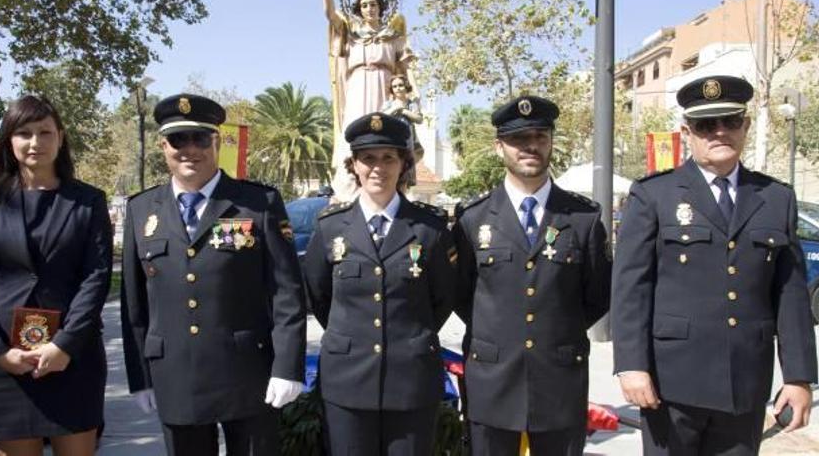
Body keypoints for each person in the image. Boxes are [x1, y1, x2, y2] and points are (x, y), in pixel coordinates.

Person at [612, 75, 818, 455]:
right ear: (687, 132)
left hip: (745, 384)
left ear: (747, 125)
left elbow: (791, 295)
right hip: (670, 386)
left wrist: (799, 377)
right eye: (707, 125)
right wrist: (631, 366)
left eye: (730, 121)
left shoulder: (775, 198)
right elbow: (631, 289)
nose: (720, 132)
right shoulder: (654, 195)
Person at [121, 94, 307, 456]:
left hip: (247, 374)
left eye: (201, 139)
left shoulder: (257, 203)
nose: (190, 149)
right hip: (175, 375)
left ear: (217, 143)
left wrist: (287, 367)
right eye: (178, 140)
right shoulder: (141, 209)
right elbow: (134, 305)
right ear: (163, 146)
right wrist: (139, 377)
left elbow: (286, 292)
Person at [0, 95, 113, 456]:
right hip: (5, 364)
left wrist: (64, 345)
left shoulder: (89, 201)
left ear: (61, 137)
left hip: (72, 358)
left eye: (45, 132)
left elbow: (96, 277)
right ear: (9, 140)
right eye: (24, 133)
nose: (35, 142)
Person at [453, 96, 611, 455]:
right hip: (491, 380)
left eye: (540, 136)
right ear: (499, 147)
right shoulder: (472, 220)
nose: (530, 146)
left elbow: (599, 294)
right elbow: (461, 295)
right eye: (518, 139)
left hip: (559, 380)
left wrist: (554, 329)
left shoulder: (582, 218)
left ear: (551, 141)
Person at [302, 112, 457, 455]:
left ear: (403, 164)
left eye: (388, 158)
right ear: (353, 165)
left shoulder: (429, 229)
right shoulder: (331, 227)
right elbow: (319, 296)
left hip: (412, 379)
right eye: (367, 158)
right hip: (347, 381)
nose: (378, 167)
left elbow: (443, 299)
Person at [319, 0, 416, 200]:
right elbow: (330, 15)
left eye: (373, 4)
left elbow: (406, 65)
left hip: (385, 89)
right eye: (364, 5)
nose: (369, 8)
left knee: (386, 135)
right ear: (358, 9)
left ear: (381, 7)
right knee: (354, 134)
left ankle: (392, 188)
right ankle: (349, 192)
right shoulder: (350, 34)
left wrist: (412, 95)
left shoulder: (392, 36)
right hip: (357, 88)